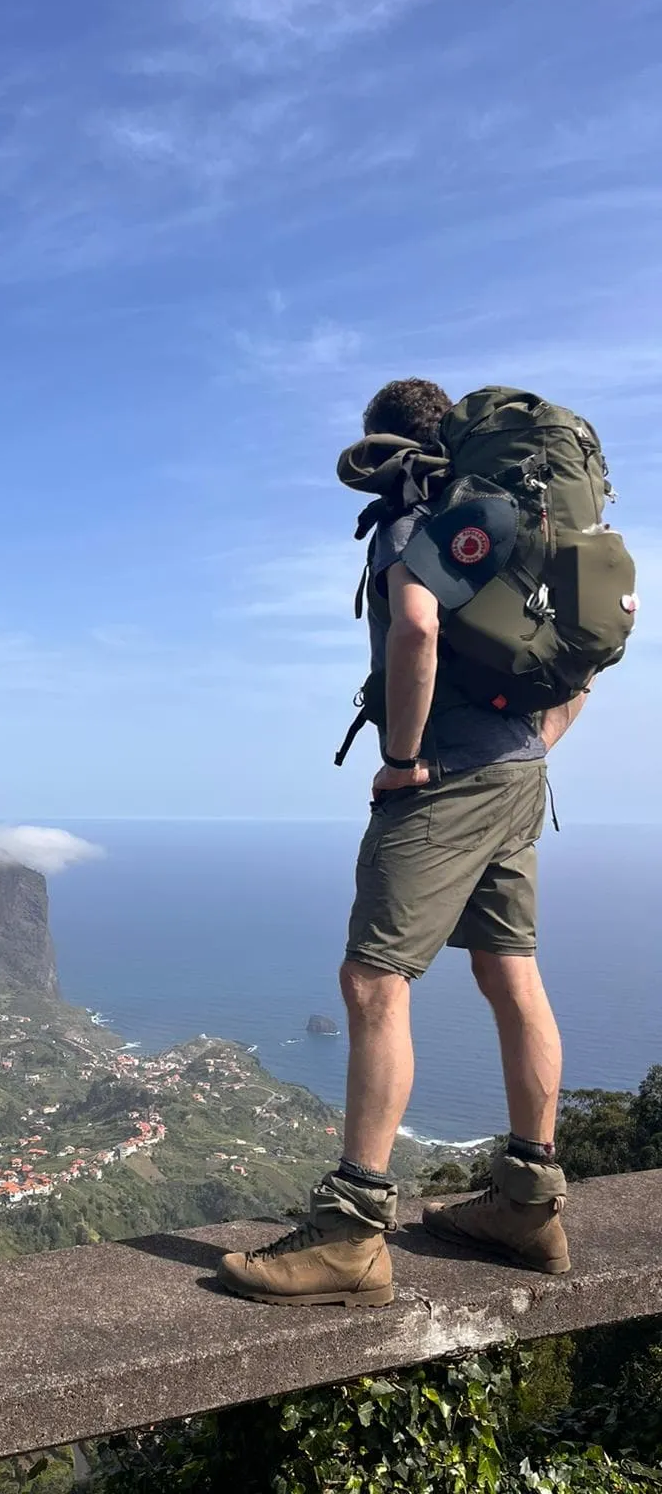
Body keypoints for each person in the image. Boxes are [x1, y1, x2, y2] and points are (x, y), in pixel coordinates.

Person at [219, 378, 587, 1307]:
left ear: (381, 445)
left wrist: (404, 758)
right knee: (512, 973)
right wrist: (535, 747)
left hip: (447, 784)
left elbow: (415, 625)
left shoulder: (412, 523)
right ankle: (529, 1205)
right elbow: (588, 650)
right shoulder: (523, 525)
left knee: (374, 982)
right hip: (517, 778)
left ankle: (351, 1235)